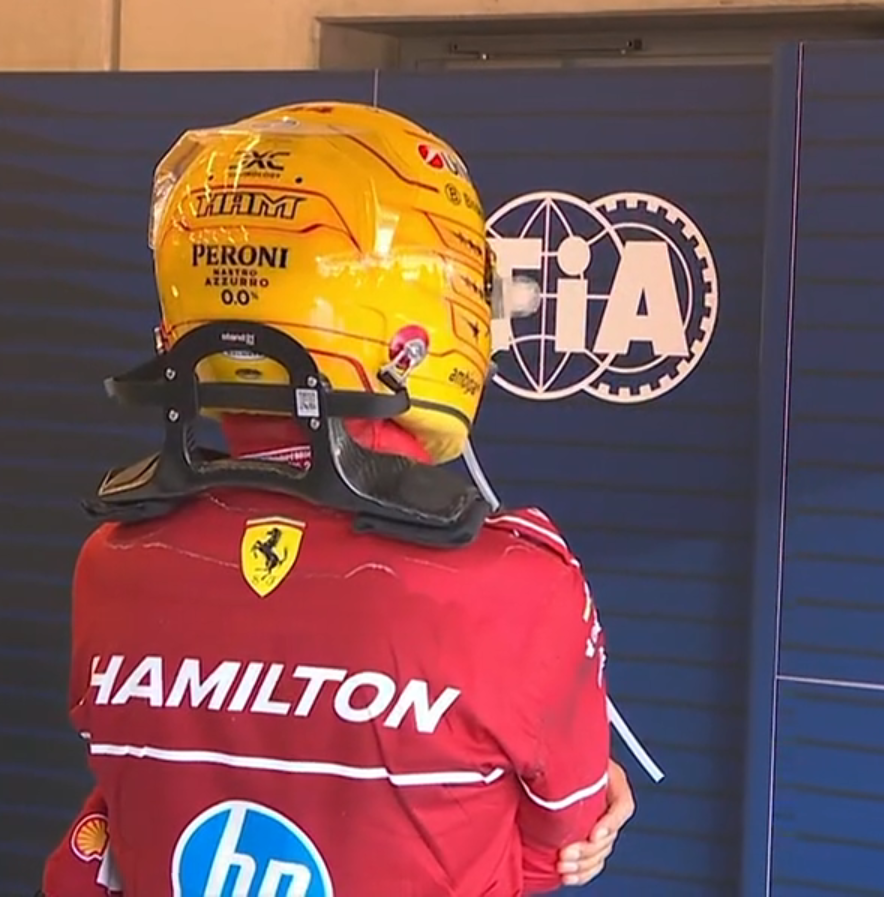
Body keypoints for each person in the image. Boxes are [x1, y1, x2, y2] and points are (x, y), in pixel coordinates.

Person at [38, 102, 635, 896]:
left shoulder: (115, 562)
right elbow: (555, 847)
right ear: (425, 314)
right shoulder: (515, 588)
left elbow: (124, 814)